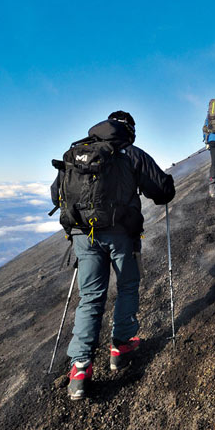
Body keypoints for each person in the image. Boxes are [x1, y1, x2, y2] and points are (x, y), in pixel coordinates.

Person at [51, 111, 175, 400]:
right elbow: (162, 190)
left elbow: (56, 194)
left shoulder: (76, 152)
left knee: (91, 297)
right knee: (128, 286)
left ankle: (80, 368)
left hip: (84, 236)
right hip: (121, 234)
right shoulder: (130, 153)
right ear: (129, 129)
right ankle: (121, 346)